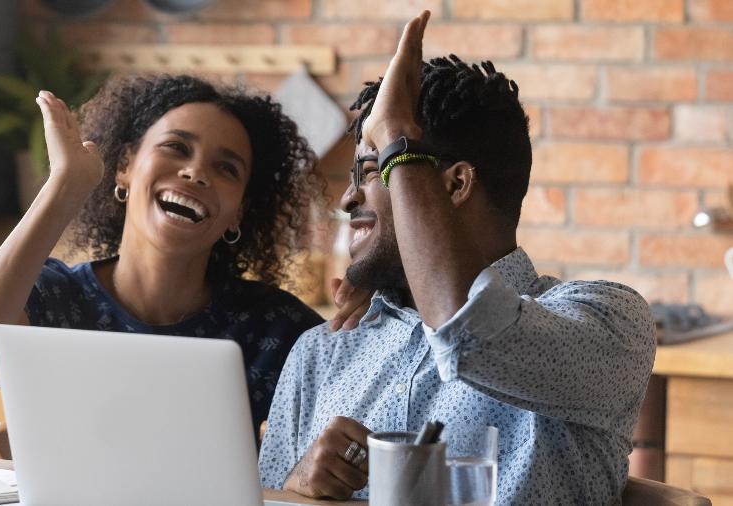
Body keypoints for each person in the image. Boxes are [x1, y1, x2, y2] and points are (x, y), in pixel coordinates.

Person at [258, 11, 656, 504]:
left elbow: (465, 331)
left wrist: (398, 135)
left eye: (371, 170)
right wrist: (298, 486)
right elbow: (262, 497)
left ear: (454, 184)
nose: (347, 199)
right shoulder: (324, 351)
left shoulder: (605, 320)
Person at [0, 74, 368, 436]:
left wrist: (365, 334)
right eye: (176, 147)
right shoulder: (52, 297)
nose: (195, 171)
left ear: (241, 213)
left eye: (226, 168)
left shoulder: (274, 327)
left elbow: (367, 423)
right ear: (124, 166)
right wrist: (64, 187)